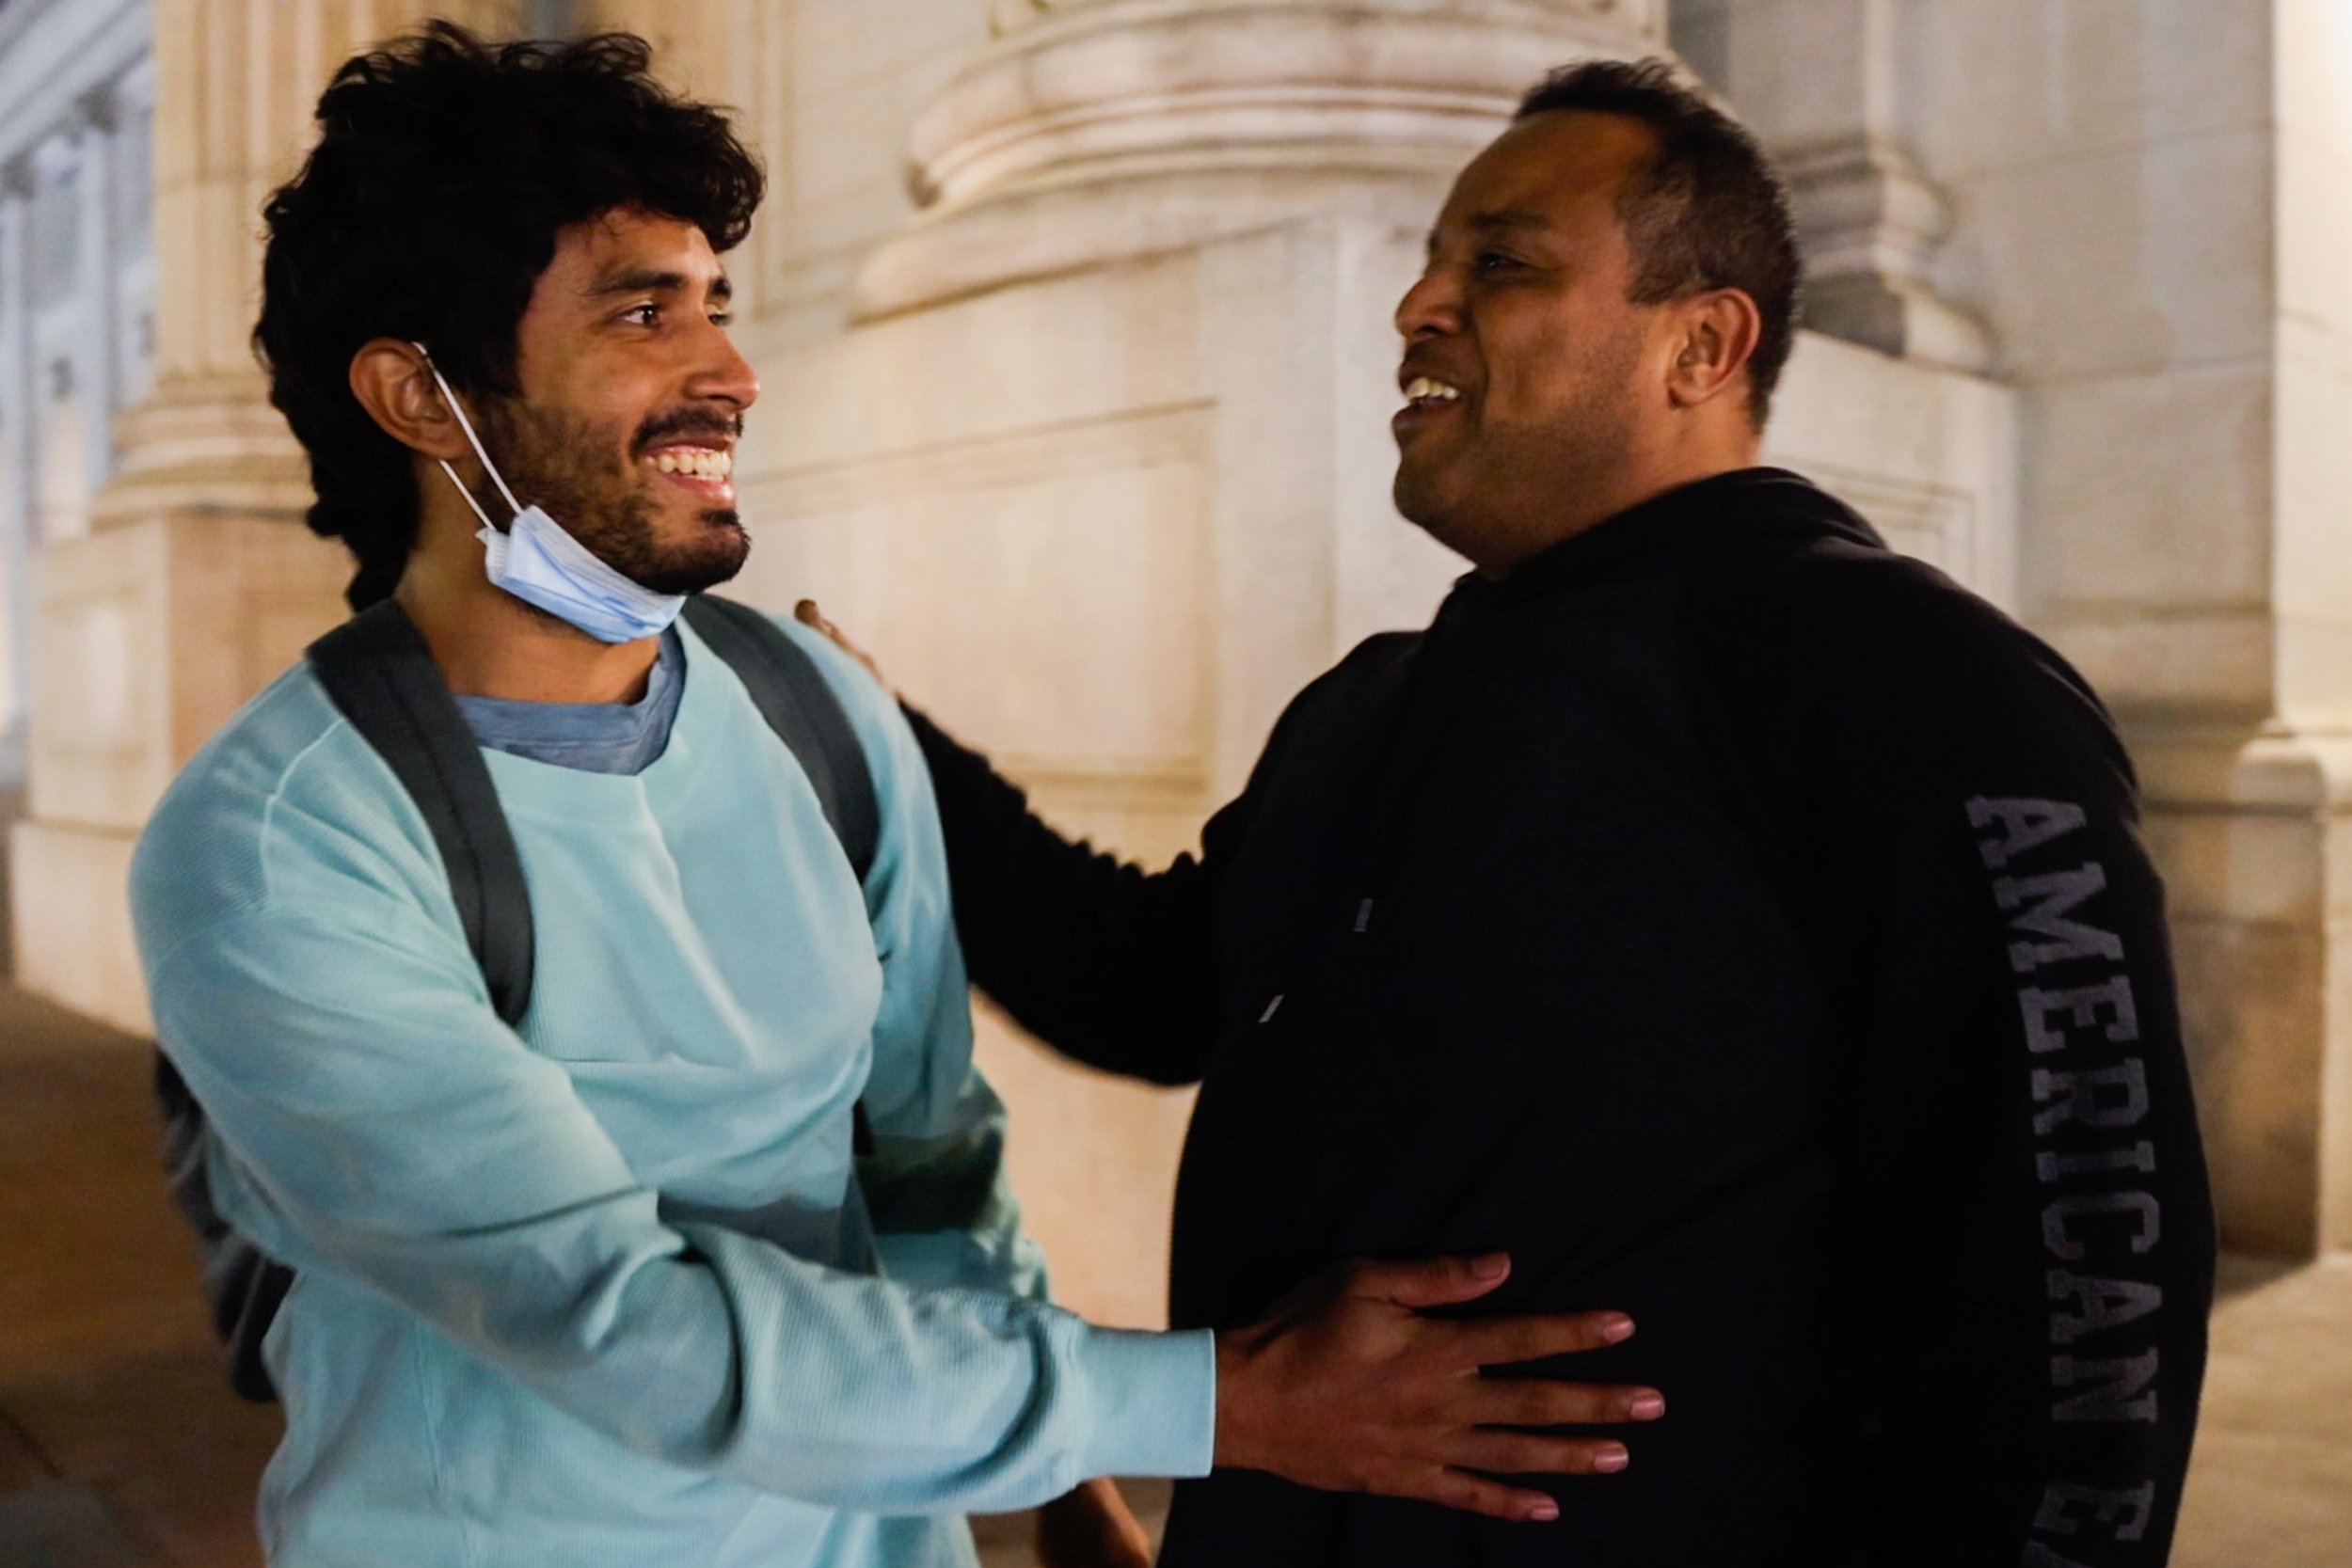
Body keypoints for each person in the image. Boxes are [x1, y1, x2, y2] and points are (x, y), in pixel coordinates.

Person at [128, 26, 1663, 1568]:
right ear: (419, 395)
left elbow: (927, 1168)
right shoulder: (278, 845)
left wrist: (1065, 1492)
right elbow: (629, 1325)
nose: (727, 373)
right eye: (640, 313)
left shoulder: (820, 719)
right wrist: (1224, 1405)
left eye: (716, 306)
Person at [838, 57, 2217, 1567]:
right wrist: (865, 741)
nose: (1419, 305)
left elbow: (2086, 1286)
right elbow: (1148, 987)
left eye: (1499, 262)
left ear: (1703, 343)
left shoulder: (1910, 679)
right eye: (1435, 262)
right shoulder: (1374, 703)